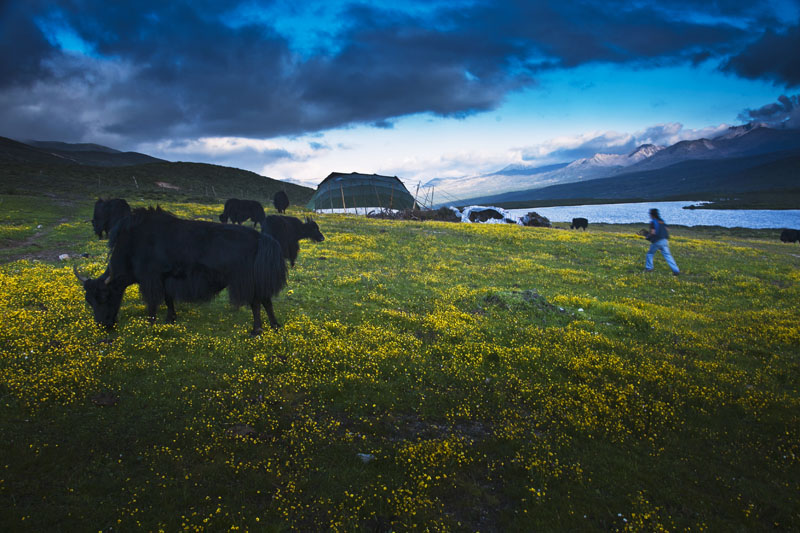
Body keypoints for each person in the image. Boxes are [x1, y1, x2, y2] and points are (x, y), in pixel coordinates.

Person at [644, 208, 680, 275]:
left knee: (650, 254)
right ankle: (676, 270)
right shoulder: (661, 221)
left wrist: (648, 236)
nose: (649, 215)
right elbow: (667, 229)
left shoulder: (653, 222)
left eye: (650, 214)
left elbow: (653, 232)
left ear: (652, 214)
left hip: (657, 241)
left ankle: (649, 268)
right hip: (664, 240)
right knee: (667, 255)